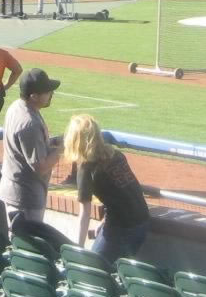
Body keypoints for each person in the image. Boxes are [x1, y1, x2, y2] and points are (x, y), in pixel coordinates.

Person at [64, 113, 150, 263]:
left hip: (122, 227)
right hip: (142, 223)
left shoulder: (86, 168)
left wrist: (78, 248)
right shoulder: (115, 154)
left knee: (93, 269)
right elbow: (122, 193)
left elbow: (85, 213)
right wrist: (105, 222)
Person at [0, 68, 65, 247]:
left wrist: (53, 142)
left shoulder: (17, 107)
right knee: (28, 247)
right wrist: (61, 149)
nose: (51, 94)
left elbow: (28, 147)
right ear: (34, 96)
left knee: (20, 243)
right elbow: (40, 166)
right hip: (25, 197)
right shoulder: (29, 122)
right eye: (47, 91)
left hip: (15, 190)